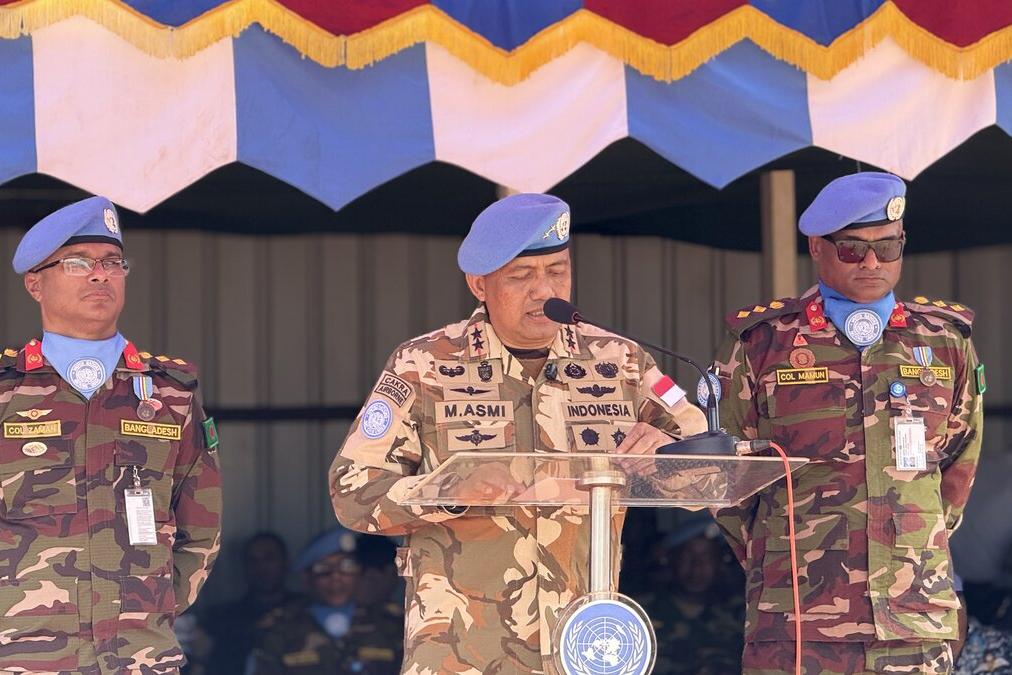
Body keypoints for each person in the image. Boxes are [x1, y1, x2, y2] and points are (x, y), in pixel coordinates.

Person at [329, 193, 708, 673]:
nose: (544, 291)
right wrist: (447, 489)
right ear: (479, 284)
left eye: (558, 270)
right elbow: (352, 494)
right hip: (459, 648)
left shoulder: (622, 361)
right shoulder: (423, 365)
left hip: (587, 644)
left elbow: (712, 469)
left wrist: (670, 452)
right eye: (521, 276)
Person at [709, 173, 984, 674]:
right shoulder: (763, 343)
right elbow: (728, 478)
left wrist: (910, 546)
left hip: (913, 612)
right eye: (854, 249)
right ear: (817, 247)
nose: (874, 263)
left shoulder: (945, 340)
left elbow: (958, 464)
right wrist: (780, 557)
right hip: (797, 613)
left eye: (888, 247)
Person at [0, 196, 222, 674]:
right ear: (35, 284)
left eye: (112, 262)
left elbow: (202, 524)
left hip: (140, 655)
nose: (100, 275)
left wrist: (151, 604)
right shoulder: (7, 392)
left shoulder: (170, 392)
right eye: (79, 263)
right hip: (23, 656)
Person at [247, 528, 402, 675]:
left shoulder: (393, 623)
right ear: (306, 578)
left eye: (346, 567)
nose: (336, 579)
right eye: (323, 569)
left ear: (359, 573)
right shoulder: (278, 626)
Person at [636, 516, 745, 675]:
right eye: (688, 556)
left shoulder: (741, 614)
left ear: (720, 562)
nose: (697, 566)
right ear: (671, 559)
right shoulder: (641, 614)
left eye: (707, 557)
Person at [197, 532, 300, 674]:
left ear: (285, 561)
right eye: (253, 561)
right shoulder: (223, 618)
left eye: (269, 558)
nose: (262, 567)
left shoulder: (305, 610)